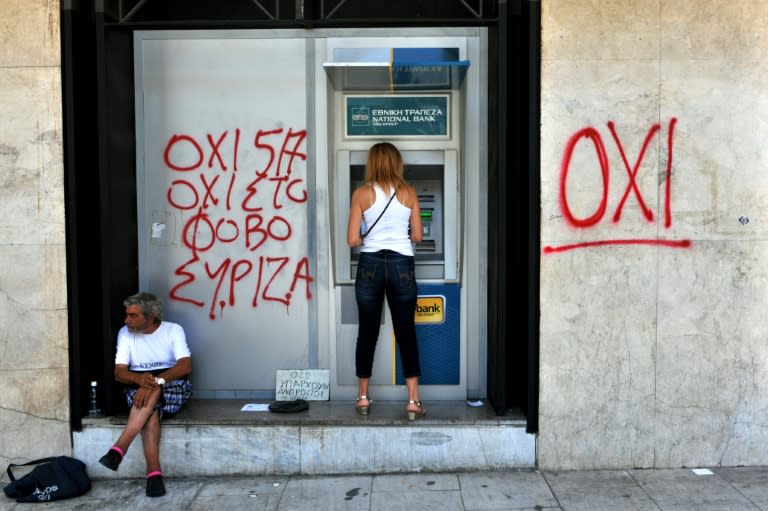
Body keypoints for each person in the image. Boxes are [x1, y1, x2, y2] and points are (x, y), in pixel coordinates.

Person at [346, 142, 426, 420]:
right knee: (406, 332)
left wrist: (371, 237)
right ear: (396, 163)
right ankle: (413, 401)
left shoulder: (361, 193)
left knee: (367, 331)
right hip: (402, 264)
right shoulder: (409, 192)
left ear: (372, 162)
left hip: (370, 265)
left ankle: (363, 397)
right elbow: (417, 236)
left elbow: (353, 240)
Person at [98, 291, 192, 497]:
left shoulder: (173, 330)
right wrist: (140, 380)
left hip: (173, 387)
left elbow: (185, 366)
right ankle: (154, 474)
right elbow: (119, 372)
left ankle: (120, 447)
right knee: (151, 414)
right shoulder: (125, 333)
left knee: (153, 391)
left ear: (150, 317)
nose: (126, 320)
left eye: (133, 316)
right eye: (127, 315)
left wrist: (154, 382)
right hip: (139, 390)